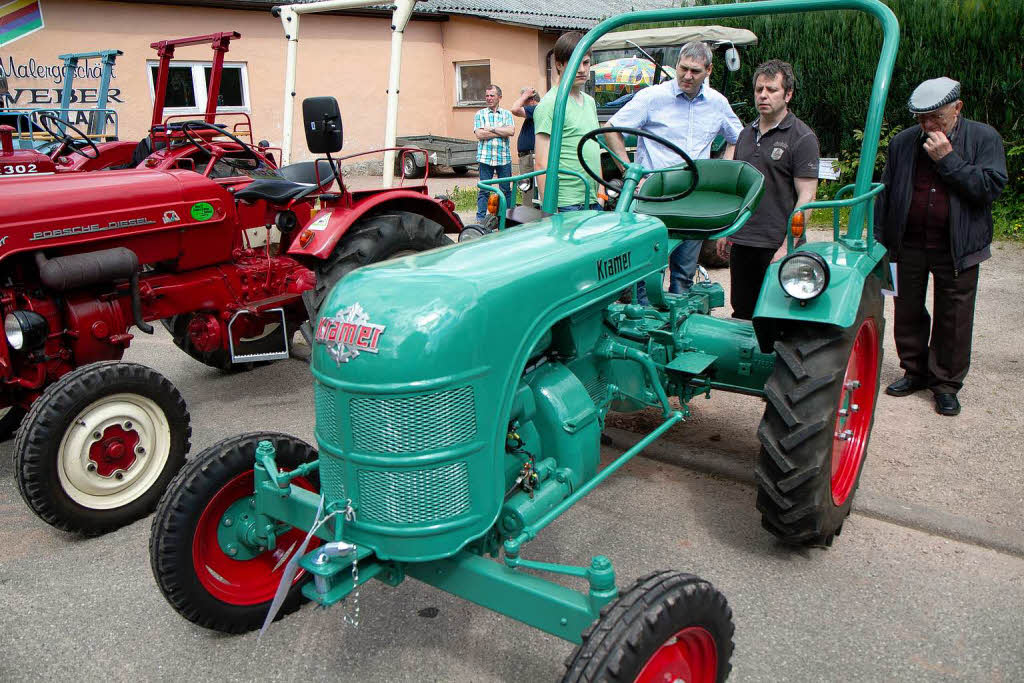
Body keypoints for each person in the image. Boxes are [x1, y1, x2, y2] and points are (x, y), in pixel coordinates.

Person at [874, 77, 1007, 416]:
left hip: (958, 247)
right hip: (906, 245)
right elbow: (885, 194)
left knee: (955, 316)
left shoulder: (983, 138)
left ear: (957, 109)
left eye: (936, 117)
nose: (927, 125)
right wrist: (879, 242)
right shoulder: (904, 142)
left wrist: (948, 160)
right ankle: (914, 372)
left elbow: (989, 189)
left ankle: (946, 384)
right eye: (921, 118)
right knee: (906, 310)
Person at [603, 41, 742, 293]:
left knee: (683, 275)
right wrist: (630, 174)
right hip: (652, 196)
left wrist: (723, 168)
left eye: (695, 71)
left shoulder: (717, 104)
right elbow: (611, 131)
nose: (687, 76)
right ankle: (643, 325)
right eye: (683, 68)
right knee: (644, 272)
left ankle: (678, 321)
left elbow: (737, 138)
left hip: (692, 197)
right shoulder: (652, 97)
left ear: (708, 71)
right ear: (676, 65)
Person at [721, 59, 820, 320]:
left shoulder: (802, 138)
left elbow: (807, 197)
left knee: (777, 317)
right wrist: (726, 231)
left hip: (776, 244)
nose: (763, 95)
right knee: (742, 312)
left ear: (788, 94)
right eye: (758, 89)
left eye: (772, 90)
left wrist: (789, 245)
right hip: (743, 243)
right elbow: (737, 189)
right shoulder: (744, 135)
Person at [533, 31, 602, 212]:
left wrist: (601, 193)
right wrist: (550, 208)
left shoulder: (590, 102)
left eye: (585, 62)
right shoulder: (550, 104)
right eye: (574, 63)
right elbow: (541, 162)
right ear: (559, 64)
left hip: (592, 199)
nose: (581, 69)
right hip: (566, 203)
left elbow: (595, 148)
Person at [473, 84, 516, 221]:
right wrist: (500, 131)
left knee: (505, 190)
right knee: (484, 190)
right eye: (487, 96)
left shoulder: (507, 114)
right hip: (486, 158)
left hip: (503, 158)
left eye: (492, 95)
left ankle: (507, 218)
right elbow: (479, 135)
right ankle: (480, 219)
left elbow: (511, 131)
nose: (489, 98)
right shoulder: (480, 114)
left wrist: (490, 129)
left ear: (499, 97)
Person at [510, 86, 541, 207]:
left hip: (531, 156)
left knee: (529, 190)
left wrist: (525, 95)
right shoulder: (533, 112)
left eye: (525, 100)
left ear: (532, 99)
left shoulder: (536, 109)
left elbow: (515, 109)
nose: (523, 103)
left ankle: (530, 218)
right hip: (527, 156)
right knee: (527, 189)